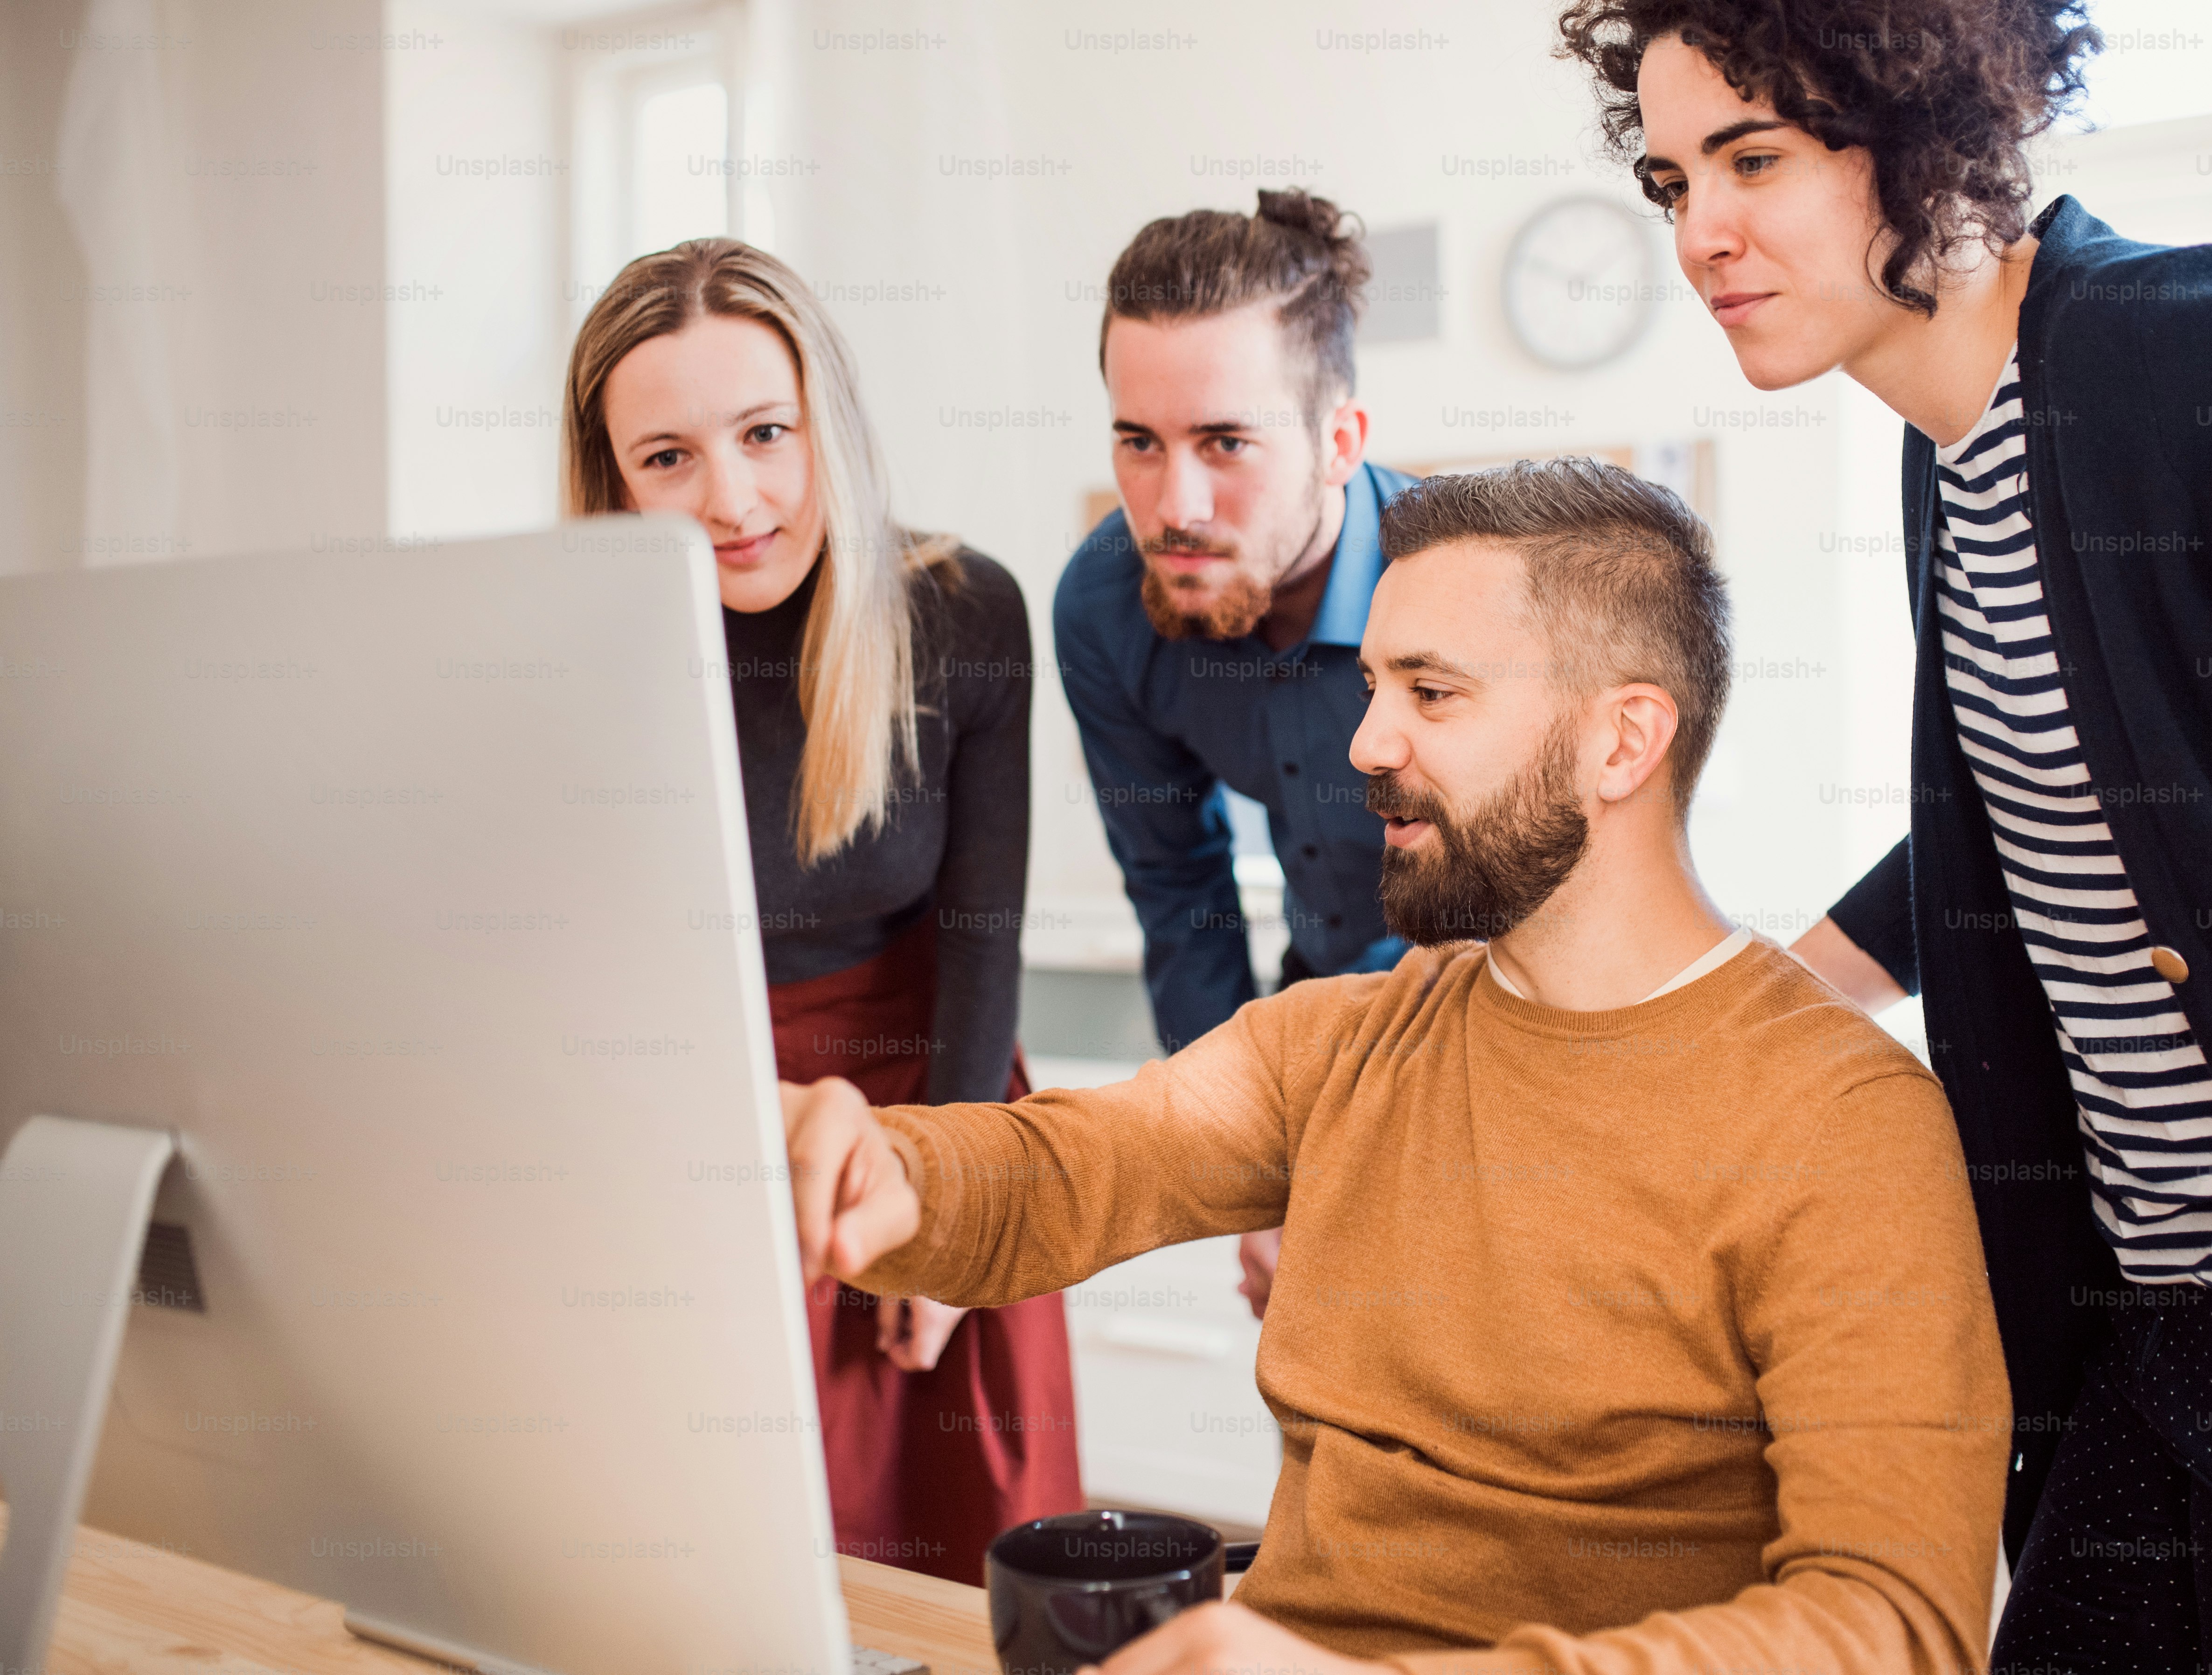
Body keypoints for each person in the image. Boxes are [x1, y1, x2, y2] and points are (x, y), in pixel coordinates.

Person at [1556, 1, 2212, 1662]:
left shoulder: (2206, 357)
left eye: (1752, 158)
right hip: (2151, 1348)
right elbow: (2058, 806)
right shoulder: (1954, 447)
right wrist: (1743, 1015)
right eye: (1669, 177)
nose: (1700, 233)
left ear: (1923, 128)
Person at [785, 459, 2014, 1675]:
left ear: (1622, 740)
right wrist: (887, 1172)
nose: (1367, 741)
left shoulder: (1847, 1123)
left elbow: (1892, 1630)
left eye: (1432, 694)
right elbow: (1067, 1171)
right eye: (1374, 685)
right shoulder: (1347, 1041)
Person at [559, 237, 1080, 1586]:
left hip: (936, 1107)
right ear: (612, 481)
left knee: (962, 1554)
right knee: (718, 1564)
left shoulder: (964, 611)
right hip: (703, 1125)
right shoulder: (570, 655)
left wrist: (950, 1214)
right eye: (668, 457)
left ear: (824, 423)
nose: (734, 498)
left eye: (765, 433)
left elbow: (982, 943)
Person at [1053, 190, 1419, 1316]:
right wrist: (1247, 1160)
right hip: (1308, 1025)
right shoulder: (1108, 604)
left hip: (1486, 1016)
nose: (1177, 506)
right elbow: (1180, 891)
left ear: (1339, 442)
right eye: (1140, 444)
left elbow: (1531, 914)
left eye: (1226, 442)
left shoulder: (1463, 583)